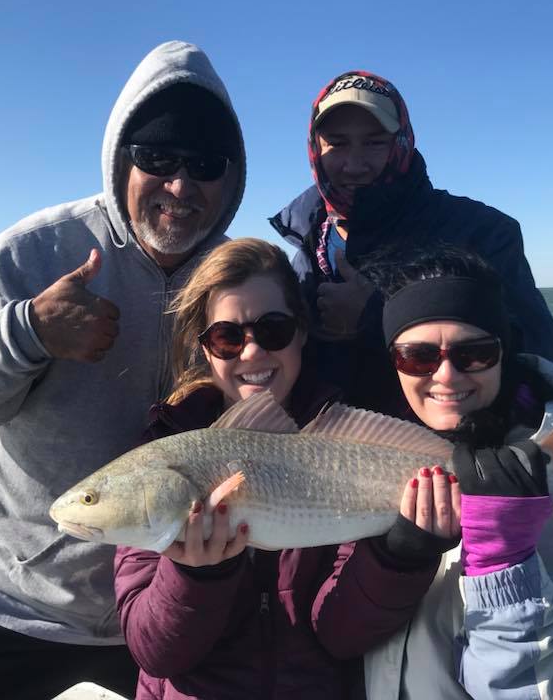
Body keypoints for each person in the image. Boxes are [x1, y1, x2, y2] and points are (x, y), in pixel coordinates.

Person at [0, 40, 246, 700]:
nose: (179, 184)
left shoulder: (238, 277)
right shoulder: (38, 248)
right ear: (122, 160)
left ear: (232, 179)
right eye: (157, 157)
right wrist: (27, 332)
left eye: (204, 164)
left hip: (156, 620)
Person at [113, 238, 461, 700]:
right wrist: (195, 577)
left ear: (301, 332)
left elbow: (342, 636)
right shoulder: (163, 453)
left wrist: (402, 554)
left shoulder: (341, 441)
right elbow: (154, 652)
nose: (252, 353)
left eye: (273, 330)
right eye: (227, 337)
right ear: (205, 347)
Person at [355, 245, 553, 699]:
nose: (446, 376)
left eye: (474, 353)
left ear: (506, 352)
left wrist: (506, 569)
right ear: (392, 363)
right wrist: (392, 563)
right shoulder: (372, 460)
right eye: (417, 357)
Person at [269, 71, 553, 414]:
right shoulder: (307, 238)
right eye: (337, 142)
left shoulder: (482, 232)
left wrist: (378, 316)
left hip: (438, 455)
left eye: (375, 142)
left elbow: (537, 357)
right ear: (315, 147)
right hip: (335, 457)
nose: (354, 164)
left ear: (402, 142)